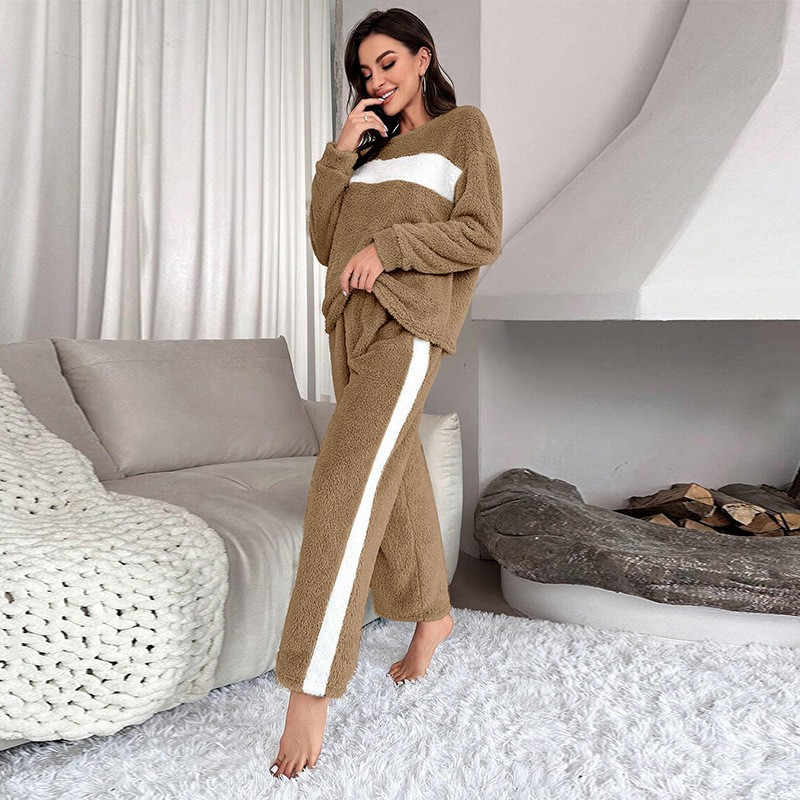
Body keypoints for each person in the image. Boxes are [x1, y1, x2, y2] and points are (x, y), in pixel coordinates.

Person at [269, 7, 503, 780]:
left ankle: (311, 687)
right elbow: (323, 241)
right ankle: (433, 615)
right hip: (347, 328)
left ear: (422, 58)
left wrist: (390, 245)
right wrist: (339, 153)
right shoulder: (368, 150)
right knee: (391, 476)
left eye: (388, 63)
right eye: (365, 72)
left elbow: (481, 233)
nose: (376, 80)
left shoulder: (463, 130)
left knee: (342, 484)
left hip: (407, 324)